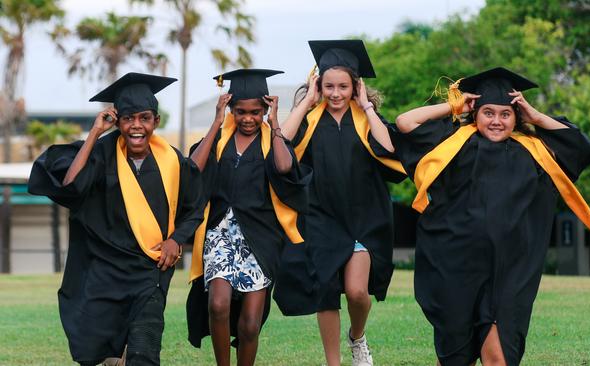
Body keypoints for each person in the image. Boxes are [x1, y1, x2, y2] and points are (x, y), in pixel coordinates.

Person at [394, 67, 590, 366]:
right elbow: (405, 122)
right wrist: (454, 107)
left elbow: (579, 145)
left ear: (516, 116)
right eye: (488, 112)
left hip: (509, 273)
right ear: (476, 112)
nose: (496, 121)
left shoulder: (534, 151)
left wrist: (534, 116)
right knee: (456, 357)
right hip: (456, 267)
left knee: (499, 358)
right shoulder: (454, 142)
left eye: (505, 114)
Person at [27, 72, 204, 365]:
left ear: (156, 121)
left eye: (144, 118)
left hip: (150, 269)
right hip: (104, 269)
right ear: (118, 121)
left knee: (144, 349)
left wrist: (176, 239)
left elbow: (194, 206)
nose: (136, 126)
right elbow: (70, 187)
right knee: (99, 348)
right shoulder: (102, 153)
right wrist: (96, 132)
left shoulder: (172, 160)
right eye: (128, 118)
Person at [278, 40, 406, 366]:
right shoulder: (311, 118)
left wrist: (367, 107)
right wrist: (307, 101)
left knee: (357, 293)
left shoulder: (365, 119)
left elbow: (390, 147)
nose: (335, 93)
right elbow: (282, 142)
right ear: (319, 85)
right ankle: (333, 362)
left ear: (355, 87)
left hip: (364, 219)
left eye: (344, 87)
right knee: (325, 292)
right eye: (329, 86)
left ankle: (357, 337)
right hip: (321, 218)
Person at [185, 69, 311, 366]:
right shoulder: (219, 139)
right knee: (217, 305)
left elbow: (283, 167)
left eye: (256, 112)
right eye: (240, 111)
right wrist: (217, 122)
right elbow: (193, 166)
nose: (248, 118)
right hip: (220, 232)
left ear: (265, 110)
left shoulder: (271, 141)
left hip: (261, 237)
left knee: (250, 324)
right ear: (231, 109)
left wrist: (276, 122)